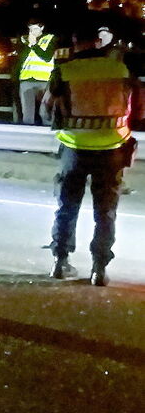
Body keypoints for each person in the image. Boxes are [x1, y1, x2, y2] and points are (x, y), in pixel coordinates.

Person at [42, 23, 141, 286]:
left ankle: (60, 263)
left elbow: (46, 111)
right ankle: (99, 268)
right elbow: (137, 109)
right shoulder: (119, 69)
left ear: (75, 42)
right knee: (106, 211)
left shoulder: (64, 70)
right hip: (111, 150)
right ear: (99, 42)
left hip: (74, 149)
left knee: (67, 206)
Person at [14, 18, 57, 124]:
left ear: (42, 28)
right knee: (28, 114)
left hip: (44, 81)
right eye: (30, 29)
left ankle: (48, 135)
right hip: (26, 80)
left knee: (45, 113)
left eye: (35, 28)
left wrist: (34, 45)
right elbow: (20, 58)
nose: (32, 32)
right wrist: (28, 45)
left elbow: (47, 57)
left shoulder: (50, 38)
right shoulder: (24, 40)